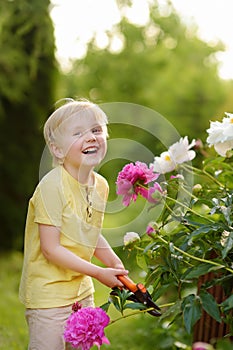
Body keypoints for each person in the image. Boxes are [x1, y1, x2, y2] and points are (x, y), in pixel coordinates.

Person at [19, 99, 128, 350]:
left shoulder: (99, 185)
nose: (90, 137)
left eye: (96, 130)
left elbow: (88, 233)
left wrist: (112, 262)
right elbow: (50, 249)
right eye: (78, 133)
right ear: (57, 150)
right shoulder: (52, 186)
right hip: (48, 297)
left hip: (81, 291)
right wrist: (99, 272)